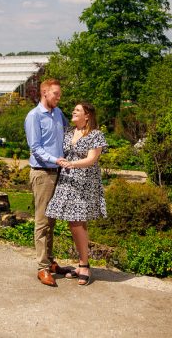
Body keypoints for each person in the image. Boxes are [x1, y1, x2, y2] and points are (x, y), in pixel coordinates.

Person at [45, 102, 107, 285]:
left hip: (84, 183)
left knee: (78, 223)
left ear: (87, 116)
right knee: (73, 223)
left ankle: (84, 265)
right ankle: (81, 264)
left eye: (77, 110)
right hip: (67, 181)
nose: (73, 112)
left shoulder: (96, 134)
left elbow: (92, 159)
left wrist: (72, 164)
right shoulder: (69, 133)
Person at [24, 78, 70, 286]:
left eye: (59, 94)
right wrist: (55, 159)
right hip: (43, 173)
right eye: (56, 94)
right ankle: (42, 268)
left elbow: (69, 134)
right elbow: (36, 148)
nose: (59, 98)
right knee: (42, 222)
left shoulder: (58, 113)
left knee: (52, 221)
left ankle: (50, 262)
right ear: (44, 93)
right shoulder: (34, 117)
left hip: (58, 172)